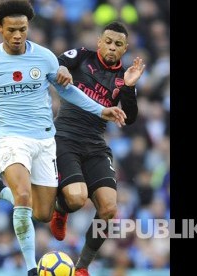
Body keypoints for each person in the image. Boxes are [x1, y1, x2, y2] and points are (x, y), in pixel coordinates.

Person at [0, 1, 127, 275]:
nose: (17, 35)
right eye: (11, 29)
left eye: (23, 29)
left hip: (45, 139)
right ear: (0, 28)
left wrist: (101, 110)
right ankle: (31, 268)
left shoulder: (45, 57)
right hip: (11, 137)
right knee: (24, 195)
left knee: (42, 213)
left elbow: (69, 92)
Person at [50, 22, 146, 276]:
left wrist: (128, 88)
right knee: (77, 198)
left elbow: (131, 117)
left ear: (124, 49)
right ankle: (60, 211)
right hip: (65, 137)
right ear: (99, 42)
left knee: (109, 209)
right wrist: (61, 68)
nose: (112, 48)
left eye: (118, 44)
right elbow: (56, 63)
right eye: (108, 42)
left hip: (95, 144)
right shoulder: (82, 56)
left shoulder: (123, 78)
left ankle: (81, 268)